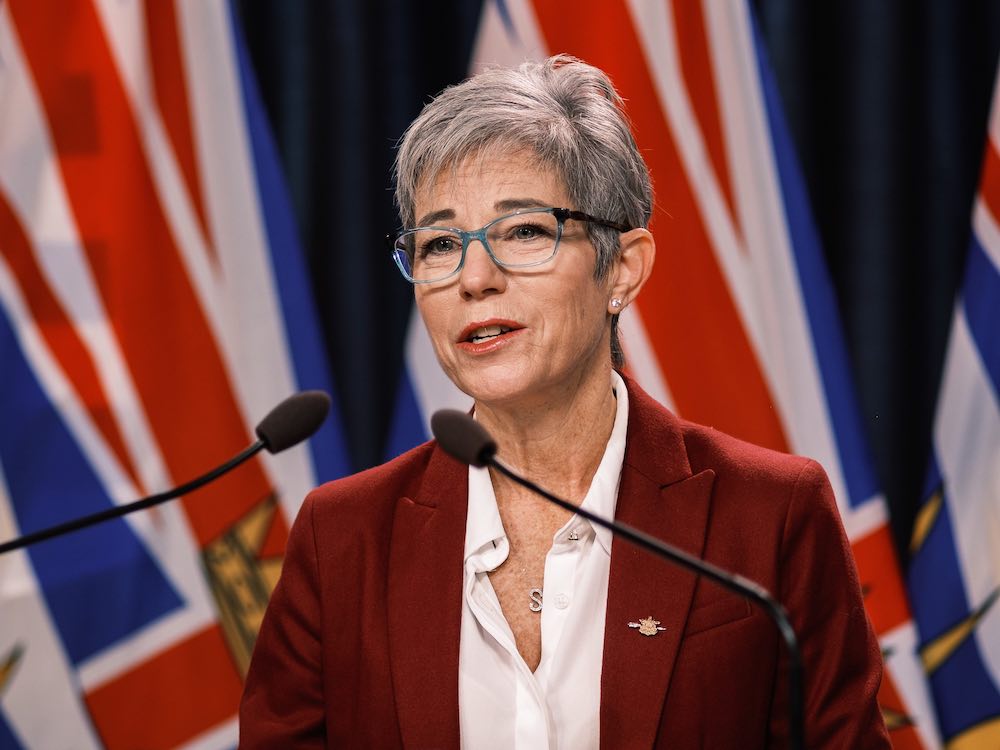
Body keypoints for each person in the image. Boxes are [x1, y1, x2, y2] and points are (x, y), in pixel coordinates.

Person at [239, 55, 889, 749]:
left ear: (623, 269)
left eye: (523, 232)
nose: (476, 278)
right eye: (439, 244)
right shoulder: (343, 539)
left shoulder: (769, 516)